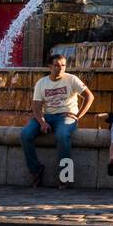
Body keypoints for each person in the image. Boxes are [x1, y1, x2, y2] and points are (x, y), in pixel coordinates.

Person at [21, 53, 94, 188]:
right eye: (56, 65)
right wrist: (42, 122)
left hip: (66, 117)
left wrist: (78, 116)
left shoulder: (72, 79)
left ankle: (65, 176)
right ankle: (36, 170)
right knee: (25, 134)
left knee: (62, 135)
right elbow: (36, 107)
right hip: (47, 116)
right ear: (50, 66)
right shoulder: (41, 83)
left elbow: (89, 97)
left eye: (63, 65)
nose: (60, 68)